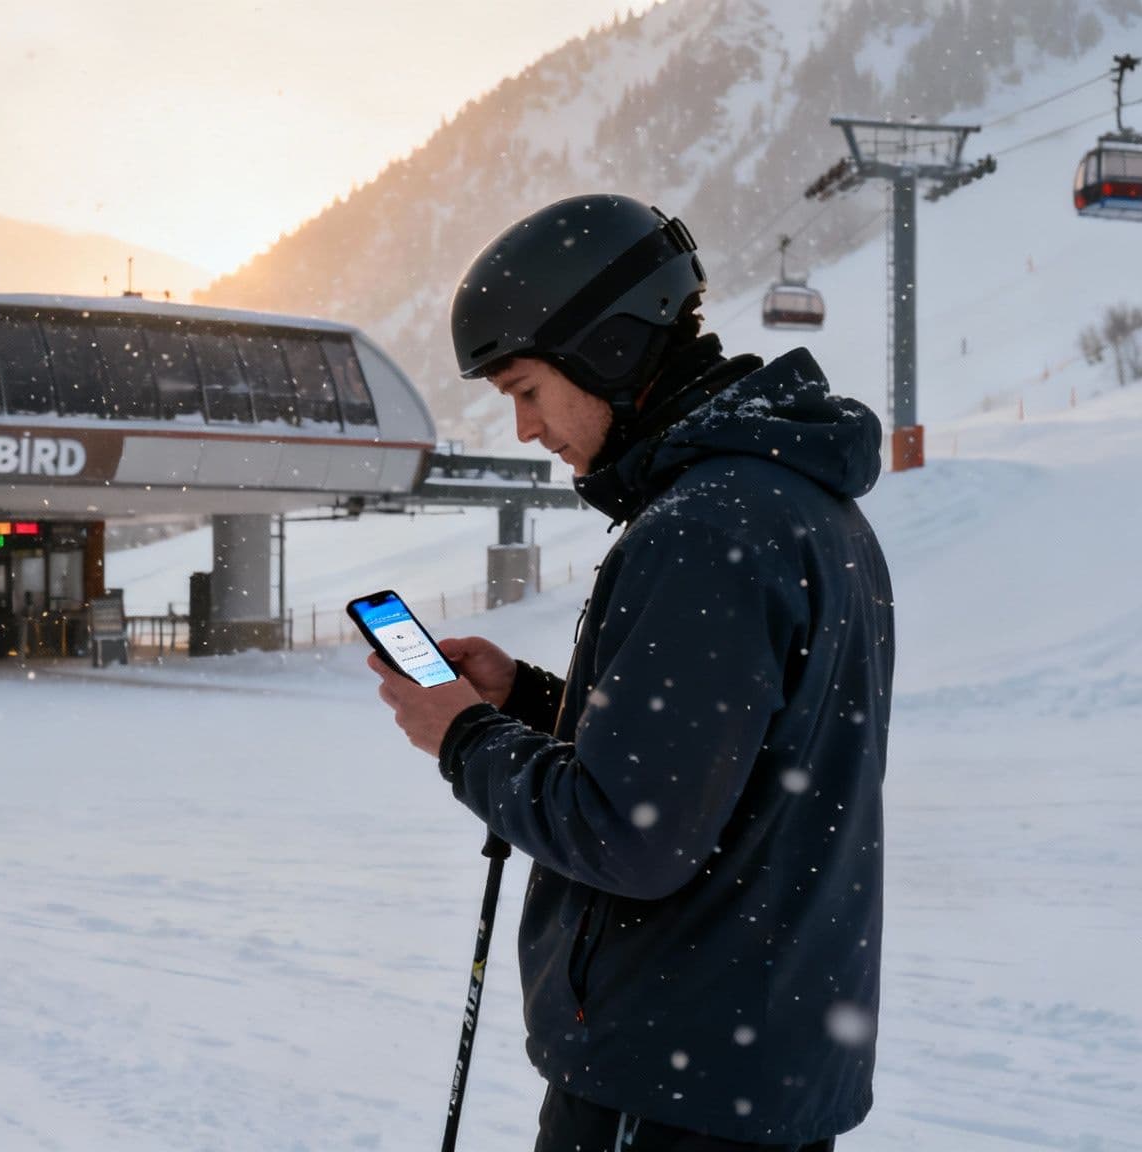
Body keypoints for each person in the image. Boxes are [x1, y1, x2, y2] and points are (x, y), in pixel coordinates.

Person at [367, 194, 894, 1151]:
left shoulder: (703, 528)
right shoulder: (802, 505)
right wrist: (527, 701)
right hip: (752, 1066)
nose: (526, 427)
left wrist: (464, 737)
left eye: (526, 389)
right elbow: (724, 767)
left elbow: (631, 836)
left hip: (669, 1086)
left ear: (608, 349)